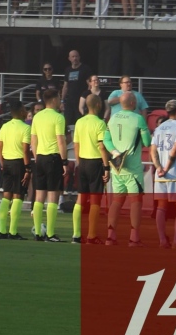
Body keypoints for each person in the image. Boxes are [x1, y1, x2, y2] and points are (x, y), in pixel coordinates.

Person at [103, 90, 150, 245]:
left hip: (117, 166)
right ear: (132, 103)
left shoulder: (113, 118)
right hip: (133, 168)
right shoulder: (138, 119)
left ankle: (110, 236)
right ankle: (134, 238)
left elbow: (106, 140)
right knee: (136, 201)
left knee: (117, 201)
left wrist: (115, 152)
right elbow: (147, 142)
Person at [29, 87, 68, 241]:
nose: (60, 100)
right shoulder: (58, 118)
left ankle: (38, 232)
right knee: (52, 197)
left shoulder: (37, 117)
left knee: (39, 196)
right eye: (58, 98)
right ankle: (50, 234)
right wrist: (64, 161)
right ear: (53, 100)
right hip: (53, 158)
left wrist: (37, 157)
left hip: (40, 158)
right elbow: (61, 141)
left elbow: (33, 140)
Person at [150, 99, 176, 248]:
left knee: (161, 206)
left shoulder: (159, 128)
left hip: (160, 174)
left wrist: (158, 167)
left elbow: (153, 150)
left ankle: (162, 240)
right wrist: (166, 167)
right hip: (175, 172)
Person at [72, 93, 108, 243]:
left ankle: (76, 234)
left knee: (81, 198)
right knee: (95, 200)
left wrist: (79, 162)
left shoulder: (79, 122)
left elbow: (76, 145)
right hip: (95, 162)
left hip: (82, 162)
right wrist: (106, 167)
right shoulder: (100, 123)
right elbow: (102, 147)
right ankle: (92, 235)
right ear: (98, 105)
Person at [0, 101, 32, 239]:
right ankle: (13, 232)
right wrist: (28, 169)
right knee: (18, 195)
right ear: (21, 112)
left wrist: (2, 163)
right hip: (19, 163)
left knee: (6, 196)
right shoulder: (26, 128)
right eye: (24, 109)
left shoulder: (4, 127)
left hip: (6, 162)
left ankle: (2, 231)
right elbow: (25, 151)